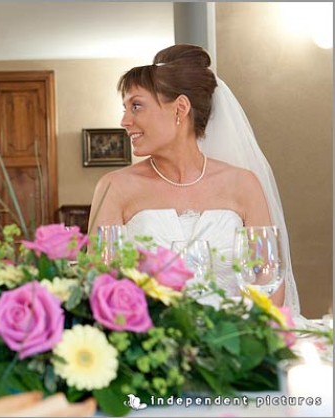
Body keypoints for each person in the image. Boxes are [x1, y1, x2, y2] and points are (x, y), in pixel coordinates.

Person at [89, 44, 301, 316]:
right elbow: (101, 284)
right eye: (125, 108)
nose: (124, 121)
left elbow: (268, 283)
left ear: (180, 108)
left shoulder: (244, 185)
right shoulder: (114, 188)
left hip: (234, 335)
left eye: (136, 106)